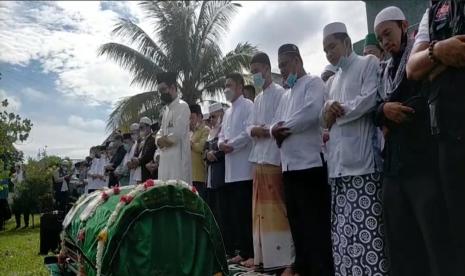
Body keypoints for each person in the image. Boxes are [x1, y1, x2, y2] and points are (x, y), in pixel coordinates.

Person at [374, 6, 459, 276]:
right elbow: (375, 107)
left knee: (433, 240)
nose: (385, 42)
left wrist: (392, 113)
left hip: (422, 165)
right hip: (393, 169)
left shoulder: (420, 58)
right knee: (399, 242)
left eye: (388, 33)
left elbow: (424, 99)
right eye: (380, 38)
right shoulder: (384, 70)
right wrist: (383, 112)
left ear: (404, 26)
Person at [321, 22, 388, 275]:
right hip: (338, 171)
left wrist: (339, 111)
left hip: (362, 167)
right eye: (325, 49)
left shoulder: (367, 64)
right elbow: (322, 120)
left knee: (368, 237)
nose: (329, 53)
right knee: (343, 238)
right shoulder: (331, 81)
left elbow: (370, 100)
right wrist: (329, 113)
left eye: (332, 46)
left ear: (347, 42)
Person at [406, 0, 465, 273]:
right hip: (448, 136)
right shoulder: (433, 11)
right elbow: (413, 68)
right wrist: (440, 51)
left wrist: (435, 64)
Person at [271, 43, 333, 276]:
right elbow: (272, 125)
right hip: (289, 169)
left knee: (315, 225)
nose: (283, 70)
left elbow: (310, 113)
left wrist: (281, 129)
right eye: (280, 67)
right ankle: (303, 268)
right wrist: (273, 131)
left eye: (285, 65)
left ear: (297, 61)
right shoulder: (285, 95)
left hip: (310, 167)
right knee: (297, 225)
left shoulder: (314, 83)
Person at [247, 52, 294, 274]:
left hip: (274, 157)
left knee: (276, 210)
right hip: (258, 158)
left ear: (267, 68)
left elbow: (281, 124)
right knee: (260, 213)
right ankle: (263, 258)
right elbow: (249, 126)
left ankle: (284, 259)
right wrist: (255, 130)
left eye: (257, 70)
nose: (255, 75)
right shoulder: (257, 98)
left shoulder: (280, 93)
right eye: (252, 72)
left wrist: (263, 130)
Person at [218, 72, 254, 266]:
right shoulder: (228, 112)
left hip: (244, 168)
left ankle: (252, 252)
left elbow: (248, 132)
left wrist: (230, 144)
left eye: (229, 85)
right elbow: (221, 134)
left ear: (240, 86)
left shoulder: (248, 106)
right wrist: (221, 143)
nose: (226, 89)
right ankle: (242, 250)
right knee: (236, 214)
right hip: (230, 171)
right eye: (225, 85)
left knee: (246, 212)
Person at [155, 72, 192, 184]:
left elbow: (177, 134)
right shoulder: (166, 110)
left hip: (178, 161)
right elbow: (160, 132)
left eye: (163, 90)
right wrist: (158, 140)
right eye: (160, 91)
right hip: (165, 160)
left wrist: (161, 141)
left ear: (172, 88)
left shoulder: (183, 106)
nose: (161, 94)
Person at [204, 102, 227, 239]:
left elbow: (225, 149)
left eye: (214, 116)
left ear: (221, 114)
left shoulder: (224, 129)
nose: (212, 120)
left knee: (223, 211)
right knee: (214, 211)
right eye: (210, 117)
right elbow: (204, 151)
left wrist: (215, 155)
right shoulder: (210, 132)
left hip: (221, 175)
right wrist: (207, 154)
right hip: (210, 176)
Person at [189, 104, 210, 200]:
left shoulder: (205, 130)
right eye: (189, 118)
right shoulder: (191, 132)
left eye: (192, 118)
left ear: (200, 117)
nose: (191, 121)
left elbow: (201, 147)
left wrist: (190, 144)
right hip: (190, 174)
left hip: (199, 175)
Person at [132, 117, 156, 183]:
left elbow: (148, 155)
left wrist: (138, 161)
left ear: (148, 127)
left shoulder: (152, 139)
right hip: (140, 170)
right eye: (140, 128)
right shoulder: (142, 140)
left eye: (142, 127)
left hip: (147, 172)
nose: (140, 130)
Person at [11, 162, 29, 228]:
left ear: (19, 167)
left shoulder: (23, 173)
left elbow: (26, 180)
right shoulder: (14, 174)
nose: (16, 168)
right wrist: (15, 177)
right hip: (16, 193)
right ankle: (18, 224)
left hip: (23, 193)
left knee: (25, 209)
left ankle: (26, 224)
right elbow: (12, 181)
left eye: (17, 167)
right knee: (17, 209)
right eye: (15, 167)